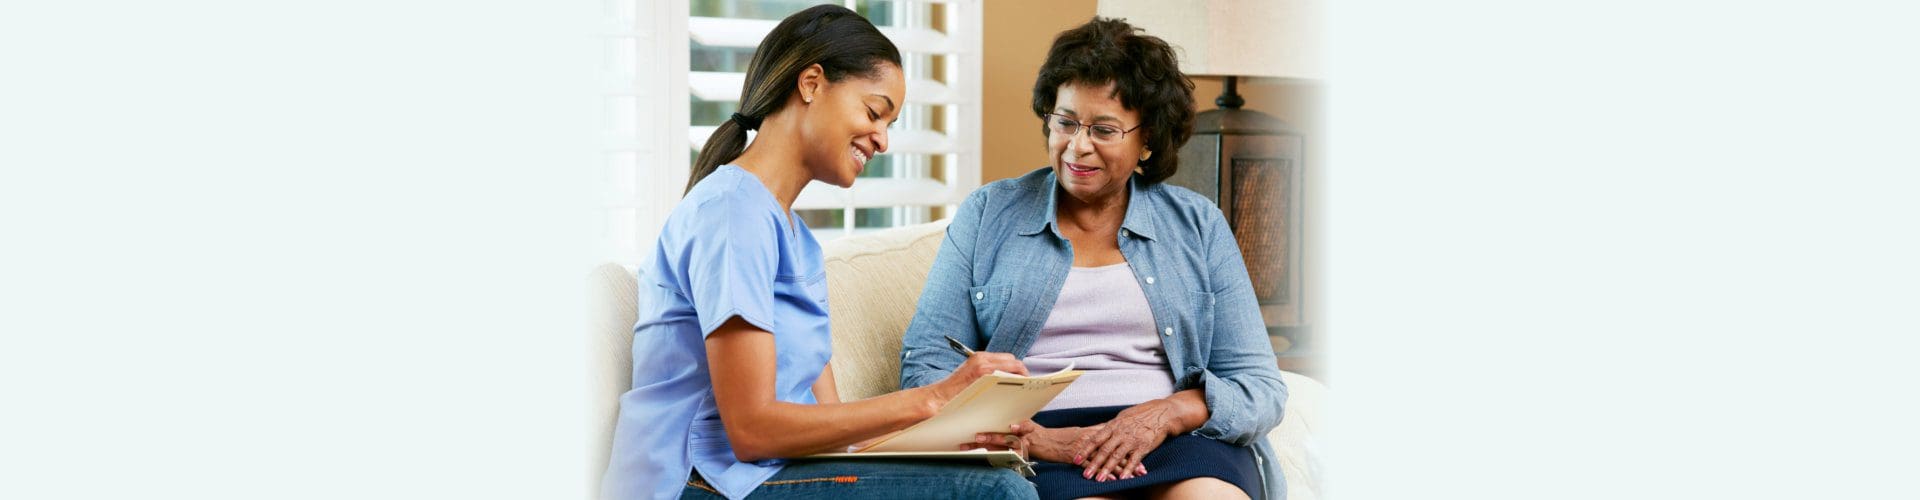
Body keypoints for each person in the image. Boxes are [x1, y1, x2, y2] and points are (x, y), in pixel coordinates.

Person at [600, 5, 1038, 500]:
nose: (884, 140)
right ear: (811, 83)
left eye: (890, 122)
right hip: (697, 482)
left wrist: (959, 435)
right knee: (997, 494)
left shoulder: (796, 238)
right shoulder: (731, 214)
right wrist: (931, 398)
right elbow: (752, 431)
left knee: (995, 477)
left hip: (767, 474)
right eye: (875, 112)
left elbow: (836, 436)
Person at [897, 17, 1290, 500]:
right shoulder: (988, 213)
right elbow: (926, 364)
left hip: (1173, 436)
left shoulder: (1198, 224)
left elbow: (1260, 388)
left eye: (1104, 129)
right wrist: (1022, 436)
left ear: (1148, 138)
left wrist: (1167, 413)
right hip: (1038, 444)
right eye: (1065, 122)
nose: (1077, 146)